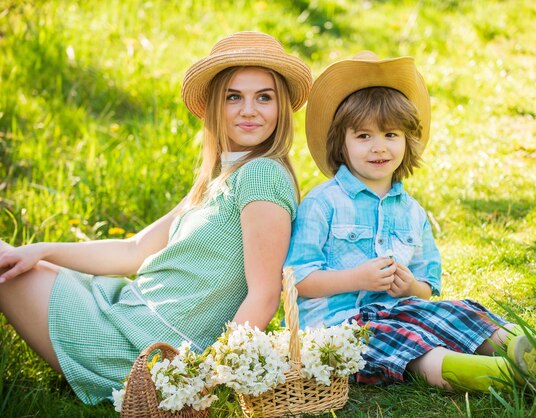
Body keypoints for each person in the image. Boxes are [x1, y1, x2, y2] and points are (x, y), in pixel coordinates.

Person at [0, 31, 312, 404]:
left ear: (281, 110)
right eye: (234, 97)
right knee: (16, 261)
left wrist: (200, 381)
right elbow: (133, 251)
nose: (249, 110)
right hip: (123, 312)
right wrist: (40, 250)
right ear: (215, 107)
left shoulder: (262, 175)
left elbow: (264, 295)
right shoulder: (220, 178)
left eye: (264, 97)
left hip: (149, 352)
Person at [285, 51, 536, 392]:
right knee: (409, 344)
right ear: (342, 142)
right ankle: (506, 377)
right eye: (364, 136)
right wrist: (358, 278)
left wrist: (408, 287)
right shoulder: (323, 203)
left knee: (459, 312)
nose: (379, 147)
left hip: (403, 313)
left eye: (391, 134)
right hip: (341, 329)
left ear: (407, 141)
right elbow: (298, 279)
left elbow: (427, 288)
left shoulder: (411, 212)